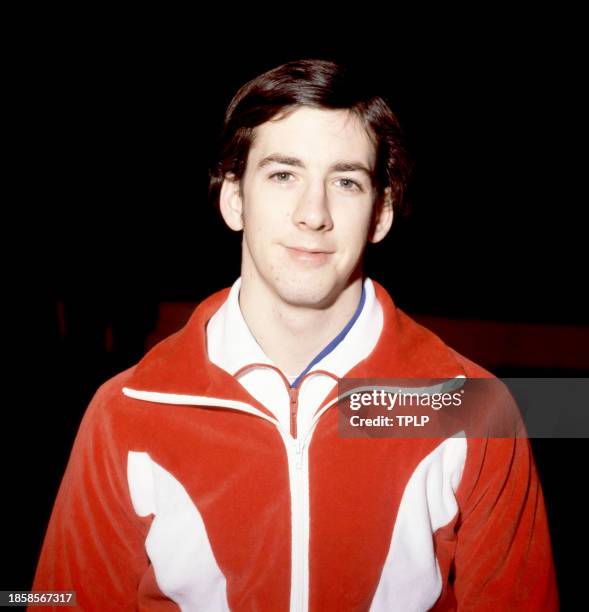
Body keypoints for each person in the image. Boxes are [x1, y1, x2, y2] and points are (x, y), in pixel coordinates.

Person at [33, 59, 558, 611]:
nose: (314, 213)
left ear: (380, 214)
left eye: (346, 181)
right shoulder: (126, 411)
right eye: (283, 174)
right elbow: (60, 598)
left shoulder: (475, 409)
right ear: (233, 198)